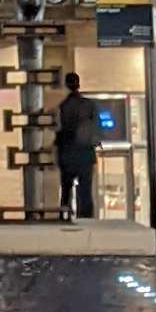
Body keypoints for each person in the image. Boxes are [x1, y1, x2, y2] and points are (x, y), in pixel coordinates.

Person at [54, 77, 99, 221]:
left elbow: (58, 130)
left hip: (67, 152)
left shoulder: (63, 106)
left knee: (66, 188)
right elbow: (95, 128)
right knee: (85, 189)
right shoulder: (89, 104)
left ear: (66, 85)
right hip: (85, 153)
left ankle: (65, 214)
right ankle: (85, 217)